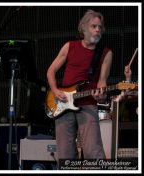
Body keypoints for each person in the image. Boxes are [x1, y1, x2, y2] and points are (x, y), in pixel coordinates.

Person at [46, 9, 113, 162]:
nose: (98, 30)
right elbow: (51, 71)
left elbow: (102, 82)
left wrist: (101, 96)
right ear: (83, 28)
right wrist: (55, 91)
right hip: (62, 104)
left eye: (100, 27)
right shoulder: (70, 46)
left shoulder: (106, 52)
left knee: (93, 152)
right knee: (65, 154)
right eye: (93, 26)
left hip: (88, 104)